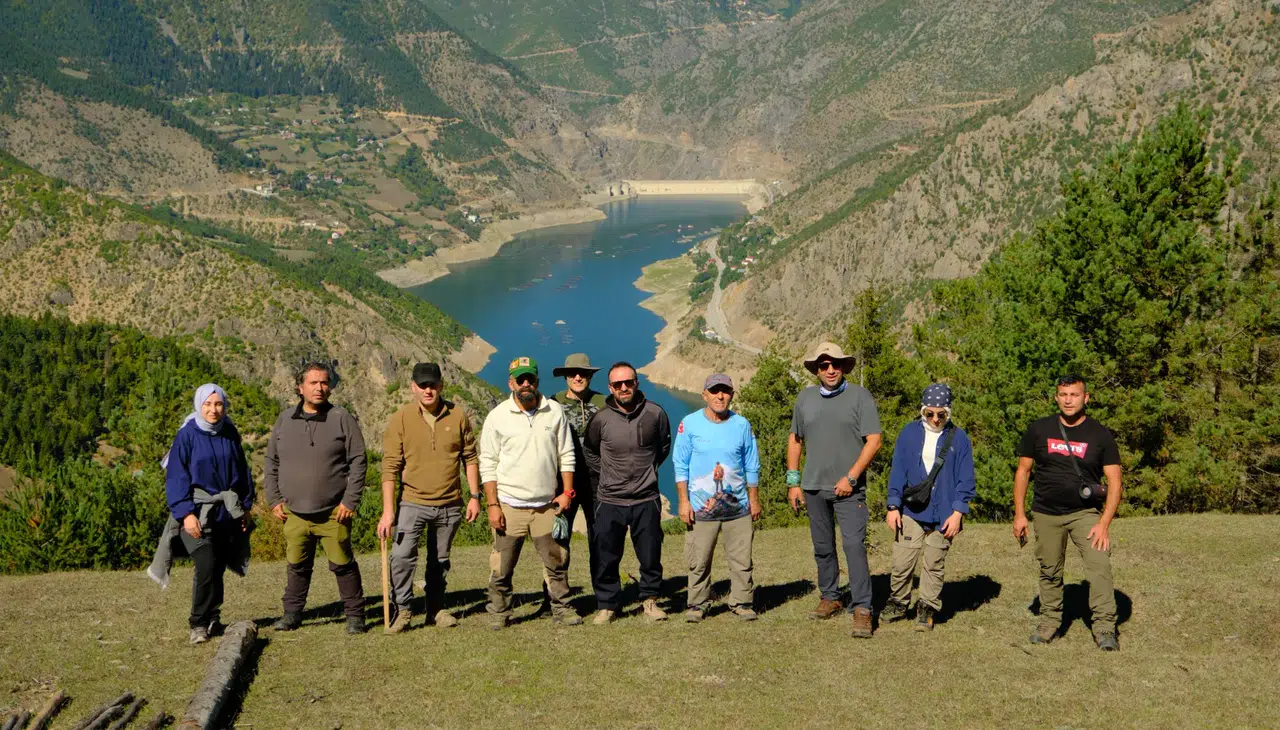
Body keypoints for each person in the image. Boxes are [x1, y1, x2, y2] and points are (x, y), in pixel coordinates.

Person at [1012, 375, 1123, 651]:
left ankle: (1105, 628)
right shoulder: (1039, 429)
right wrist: (1019, 514)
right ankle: (1049, 623)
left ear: (1086, 398)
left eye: (1074, 395)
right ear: (1056, 397)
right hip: (1046, 514)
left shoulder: (1100, 434)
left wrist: (1104, 523)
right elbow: (1023, 471)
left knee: (1099, 568)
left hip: (1085, 514)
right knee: (1049, 570)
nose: (1068, 400)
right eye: (1063, 394)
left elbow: (1115, 482)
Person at [265, 361, 369, 635]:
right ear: (300, 388)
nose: (320, 388)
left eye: (324, 382)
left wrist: (350, 501)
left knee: (343, 565)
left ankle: (356, 616)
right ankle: (291, 614)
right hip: (294, 513)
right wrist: (274, 499)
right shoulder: (285, 420)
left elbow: (358, 460)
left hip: (333, 513)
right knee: (297, 566)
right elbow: (271, 460)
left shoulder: (341, 418)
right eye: (313, 383)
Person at [787, 341, 882, 638]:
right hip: (813, 486)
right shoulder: (805, 399)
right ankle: (830, 596)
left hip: (849, 490)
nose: (830, 370)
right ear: (816, 370)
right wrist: (793, 482)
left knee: (854, 547)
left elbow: (874, 440)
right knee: (822, 547)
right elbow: (795, 439)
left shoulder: (859, 396)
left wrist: (851, 478)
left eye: (835, 364)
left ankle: (863, 608)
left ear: (843, 366)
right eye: (824, 365)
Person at [377, 363, 481, 633]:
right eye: (422, 385)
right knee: (401, 557)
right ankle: (403, 609)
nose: (428, 390)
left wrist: (474, 496)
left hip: (450, 504)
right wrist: (388, 513)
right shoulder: (400, 419)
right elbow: (390, 467)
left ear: (441, 385)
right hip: (412, 502)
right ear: (413, 387)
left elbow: (469, 457)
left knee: (440, 560)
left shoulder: (458, 415)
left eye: (432, 384)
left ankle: (436, 609)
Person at [479, 356, 580, 629]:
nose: (526, 384)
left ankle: (562, 609)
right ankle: (499, 613)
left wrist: (567, 492)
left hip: (546, 505)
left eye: (530, 379)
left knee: (557, 561)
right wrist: (492, 505)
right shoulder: (497, 417)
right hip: (510, 506)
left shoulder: (554, 411)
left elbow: (566, 453)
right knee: (502, 565)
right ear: (510, 382)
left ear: (537, 381)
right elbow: (487, 463)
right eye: (520, 379)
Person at [159, 384, 254, 645]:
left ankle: (213, 616)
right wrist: (185, 513)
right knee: (206, 563)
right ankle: (198, 623)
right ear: (199, 405)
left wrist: (245, 506)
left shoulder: (229, 432)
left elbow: (242, 471)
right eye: (208, 405)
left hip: (224, 512)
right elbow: (176, 476)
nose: (213, 410)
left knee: (220, 564)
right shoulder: (187, 436)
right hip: (197, 511)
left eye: (219, 404)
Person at [584, 362, 672, 624]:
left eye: (628, 382)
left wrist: (648, 471)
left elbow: (664, 447)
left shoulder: (655, 414)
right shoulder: (601, 419)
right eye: (617, 384)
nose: (624, 388)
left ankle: (650, 600)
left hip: (646, 498)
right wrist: (609, 473)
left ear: (637, 382)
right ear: (610, 388)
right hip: (610, 499)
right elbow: (589, 451)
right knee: (606, 555)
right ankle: (608, 605)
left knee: (650, 553)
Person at [883, 384, 975, 631]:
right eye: (929, 414)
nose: (935, 419)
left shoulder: (960, 438)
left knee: (934, 562)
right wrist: (893, 506)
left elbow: (966, 479)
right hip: (911, 509)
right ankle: (898, 602)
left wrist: (958, 513)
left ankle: (927, 608)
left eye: (941, 414)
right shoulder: (908, 434)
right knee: (903, 561)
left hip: (945, 512)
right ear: (922, 411)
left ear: (948, 412)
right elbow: (898, 471)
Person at [674, 374, 761, 623]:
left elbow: (752, 464)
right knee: (698, 559)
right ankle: (698, 604)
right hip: (701, 508)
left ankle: (742, 601)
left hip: (738, 506)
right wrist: (683, 501)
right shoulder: (689, 424)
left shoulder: (742, 425)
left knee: (742, 558)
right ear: (705, 394)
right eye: (714, 391)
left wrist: (754, 499)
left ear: (732, 394)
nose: (720, 396)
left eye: (725, 391)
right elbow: (680, 464)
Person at [549, 353, 608, 604]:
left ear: (591, 375)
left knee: (601, 537)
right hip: (563, 483)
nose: (577, 377)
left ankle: (604, 595)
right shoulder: (552, 404)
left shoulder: (605, 402)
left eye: (582, 373)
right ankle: (554, 596)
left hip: (598, 481)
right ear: (565, 376)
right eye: (572, 373)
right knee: (558, 538)